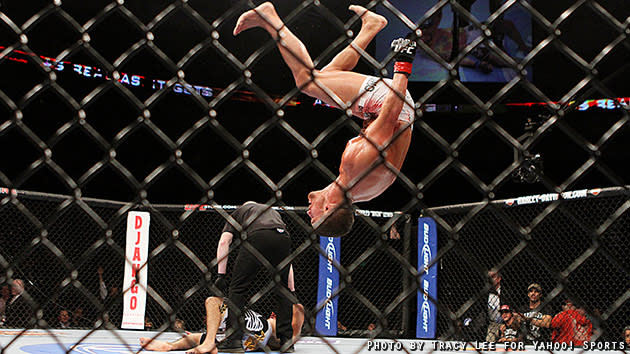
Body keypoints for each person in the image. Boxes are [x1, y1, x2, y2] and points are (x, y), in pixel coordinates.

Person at [233, 3, 416, 236]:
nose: (308, 213)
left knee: (326, 76)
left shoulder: (354, 191)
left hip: (385, 112)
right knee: (307, 81)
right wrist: (403, 64)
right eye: (314, 217)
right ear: (329, 208)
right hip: (389, 103)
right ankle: (271, 19)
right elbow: (390, 117)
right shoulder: (356, 167)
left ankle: (371, 27)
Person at [211, 202, 294, 352]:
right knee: (283, 291)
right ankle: (287, 341)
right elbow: (288, 261)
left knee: (238, 288)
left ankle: (234, 339)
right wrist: (291, 289)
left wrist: (220, 275)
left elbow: (224, 242)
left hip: (258, 235)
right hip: (284, 238)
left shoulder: (238, 212)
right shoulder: (273, 213)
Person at [139, 296, 305, 353]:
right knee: (203, 338)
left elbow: (298, 309)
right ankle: (169, 346)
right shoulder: (269, 326)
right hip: (242, 337)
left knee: (212, 301)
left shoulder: (277, 326)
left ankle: (209, 342)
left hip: (252, 330)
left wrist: (289, 291)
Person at [485, 270, 515, 342]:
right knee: (489, 343)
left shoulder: (507, 292)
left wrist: (506, 324)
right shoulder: (485, 293)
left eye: (493, 277)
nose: (491, 279)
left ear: (499, 278)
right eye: (489, 277)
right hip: (491, 324)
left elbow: (511, 309)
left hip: (505, 323)